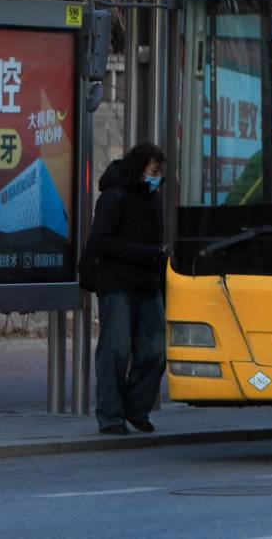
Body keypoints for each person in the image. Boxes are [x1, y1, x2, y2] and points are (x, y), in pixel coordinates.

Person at [85, 142, 169, 435]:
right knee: (116, 350)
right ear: (139, 167)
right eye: (154, 170)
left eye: (159, 171)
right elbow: (101, 241)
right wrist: (146, 254)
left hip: (147, 283)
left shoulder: (153, 197)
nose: (158, 176)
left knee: (157, 349)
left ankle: (134, 407)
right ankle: (110, 415)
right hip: (117, 283)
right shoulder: (113, 196)